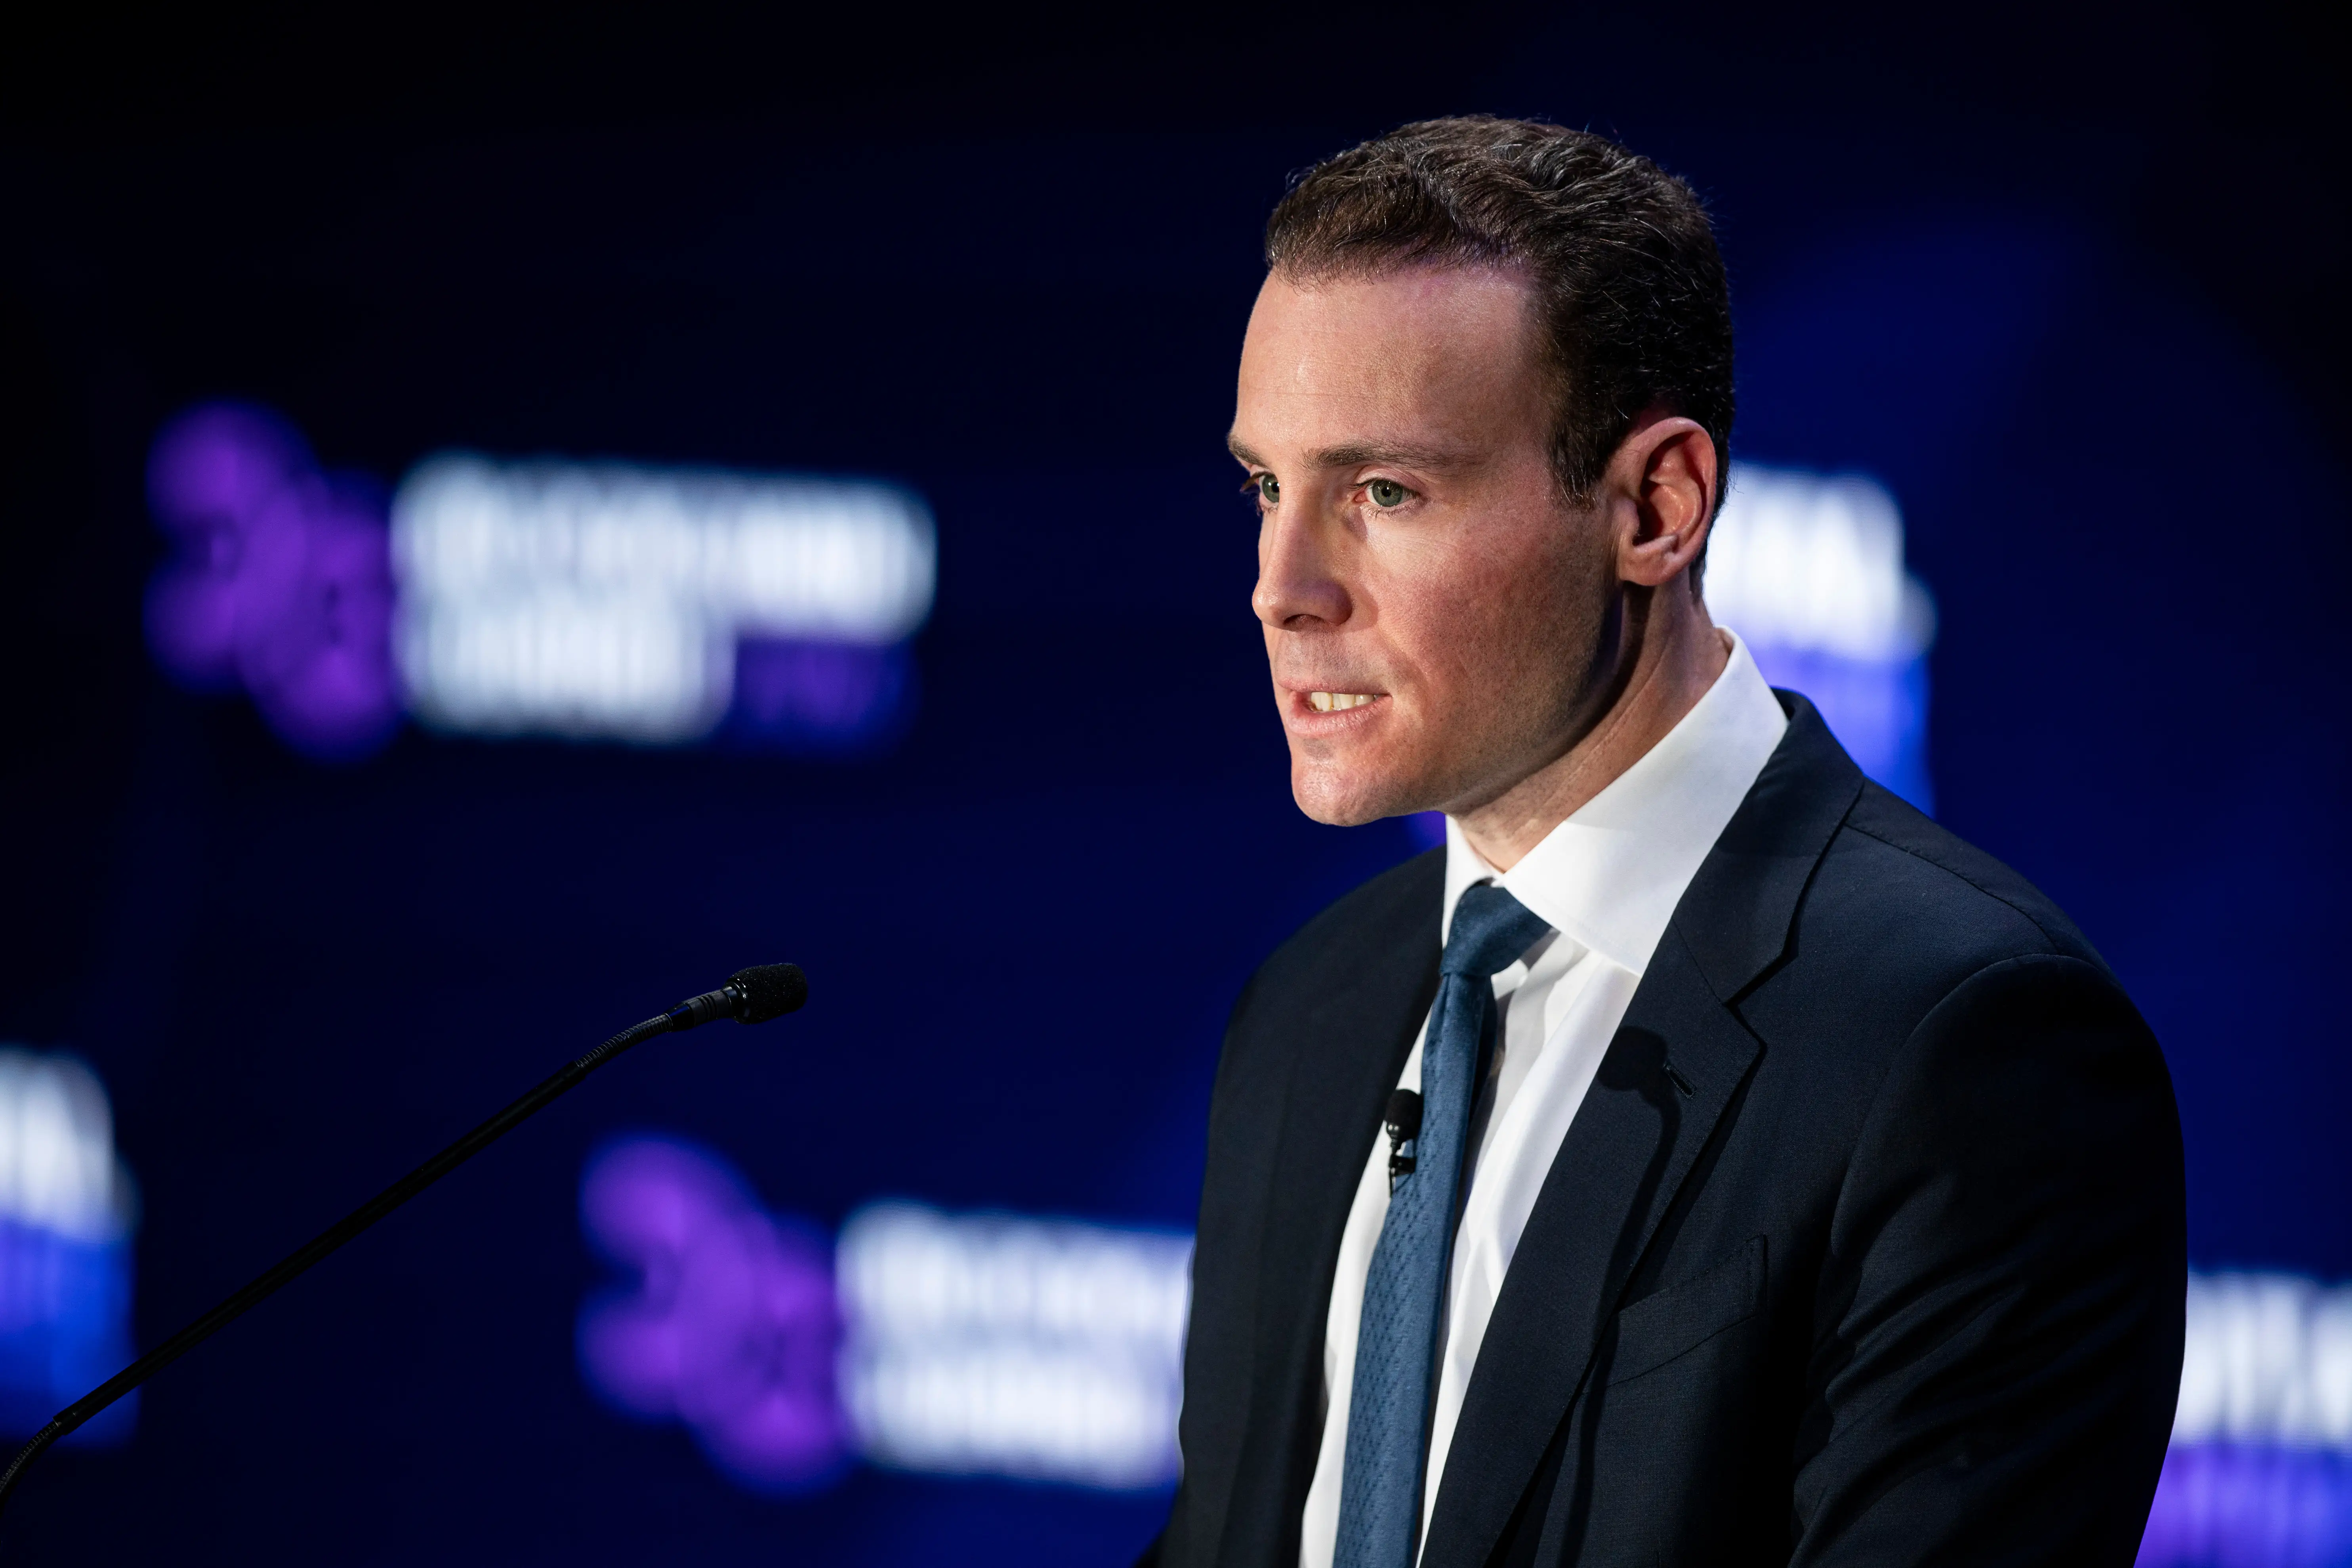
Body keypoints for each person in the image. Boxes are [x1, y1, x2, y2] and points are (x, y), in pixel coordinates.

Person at [1141, 118, 2184, 1568]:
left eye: (1383, 492)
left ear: (1656, 505)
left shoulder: (1969, 1043)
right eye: (1268, 487)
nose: (1283, 586)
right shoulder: (1311, 1011)